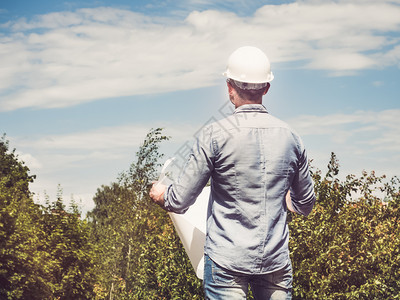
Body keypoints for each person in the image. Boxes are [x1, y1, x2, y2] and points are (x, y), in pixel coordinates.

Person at [149, 46, 316, 300]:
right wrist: (279, 195)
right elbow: (304, 203)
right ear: (266, 88)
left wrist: (161, 193)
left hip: (226, 262)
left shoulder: (213, 136)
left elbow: (179, 201)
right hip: (275, 262)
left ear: (229, 87)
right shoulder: (291, 138)